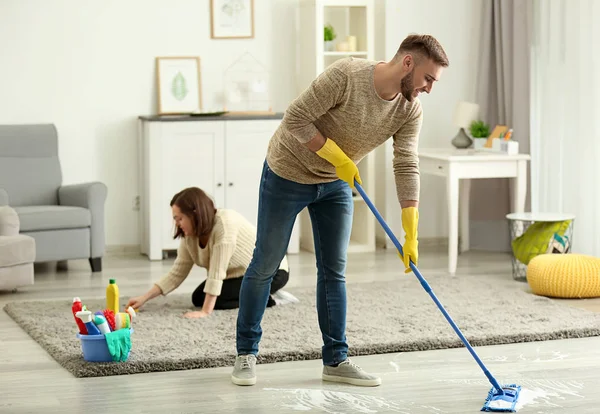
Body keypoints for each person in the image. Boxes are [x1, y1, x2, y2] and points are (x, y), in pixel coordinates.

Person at [231, 34, 449, 386]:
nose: (429, 88)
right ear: (408, 63)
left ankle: (336, 360)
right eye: (429, 78)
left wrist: (411, 230)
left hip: (335, 184)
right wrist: (336, 155)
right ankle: (246, 354)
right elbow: (295, 119)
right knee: (265, 264)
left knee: (334, 271)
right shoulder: (346, 76)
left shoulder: (409, 108)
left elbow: (406, 163)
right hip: (287, 172)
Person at [126, 187, 291, 317]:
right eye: (175, 219)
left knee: (218, 300)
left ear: (195, 214)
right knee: (198, 297)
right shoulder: (190, 236)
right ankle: (260, 294)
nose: (177, 223)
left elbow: (217, 272)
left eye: (179, 218)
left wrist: (205, 312)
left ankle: (271, 298)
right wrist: (144, 298)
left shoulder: (225, 224)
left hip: (272, 271)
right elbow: (176, 273)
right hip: (240, 274)